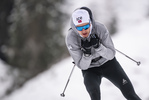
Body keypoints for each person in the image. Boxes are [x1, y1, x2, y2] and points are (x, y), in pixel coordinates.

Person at [65, 7, 141, 100]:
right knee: (94, 95)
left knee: (130, 94)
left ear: (90, 23)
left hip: (109, 64)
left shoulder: (100, 28)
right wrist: (87, 54)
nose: (83, 30)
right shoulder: (71, 38)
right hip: (90, 69)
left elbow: (111, 54)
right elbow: (82, 66)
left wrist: (98, 47)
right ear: (75, 27)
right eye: (79, 28)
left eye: (86, 26)